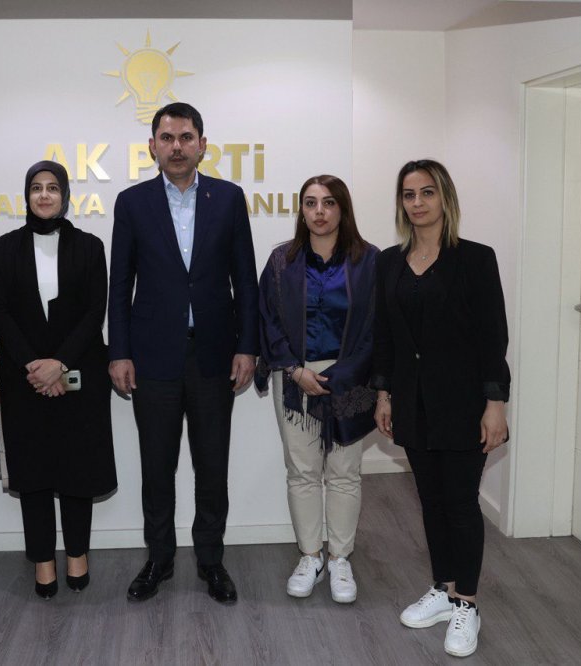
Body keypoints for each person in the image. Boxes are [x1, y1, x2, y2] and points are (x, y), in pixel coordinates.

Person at [108, 102, 259, 605]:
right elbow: (120, 284)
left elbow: (246, 280)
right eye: (167, 137)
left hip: (215, 356)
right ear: (152, 145)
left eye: (186, 137)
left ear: (202, 145)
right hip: (152, 359)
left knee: (212, 467)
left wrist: (248, 346)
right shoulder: (132, 203)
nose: (176, 146)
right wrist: (119, 352)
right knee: (157, 467)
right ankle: (159, 558)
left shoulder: (229, 198)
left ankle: (211, 560)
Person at [371, 159, 510, 658]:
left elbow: (493, 337)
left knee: (460, 502)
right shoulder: (389, 262)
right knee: (430, 500)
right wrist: (384, 393)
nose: (418, 202)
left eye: (427, 192)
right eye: (409, 194)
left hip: (464, 402)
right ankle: (444, 588)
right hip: (412, 401)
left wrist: (495, 403)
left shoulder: (475, 259)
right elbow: (384, 334)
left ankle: (467, 603)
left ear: (445, 198)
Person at [0, 161, 117, 599]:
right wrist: (34, 365)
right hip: (24, 378)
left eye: (52, 188)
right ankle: (43, 561)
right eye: (36, 188)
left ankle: (77, 555)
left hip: (78, 374)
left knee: (77, 469)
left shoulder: (90, 246)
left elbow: (94, 311)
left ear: (65, 196)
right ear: (27, 195)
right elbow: (0, 312)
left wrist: (59, 363)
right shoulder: (5, 247)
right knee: (34, 473)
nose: (44, 195)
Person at [255, 175, 378, 603]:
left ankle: (340, 557)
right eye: (310, 203)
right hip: (295, 379)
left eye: (328, 203)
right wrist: (293, 369)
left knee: (344, 472)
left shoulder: (369, 261)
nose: (319, 212)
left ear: (343, 208)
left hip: (351, 378)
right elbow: (267, 320)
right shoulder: (282, 261)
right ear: (302, 210)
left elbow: (376, 326)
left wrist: (346, 372)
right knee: (302, 471)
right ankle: (311, 556)